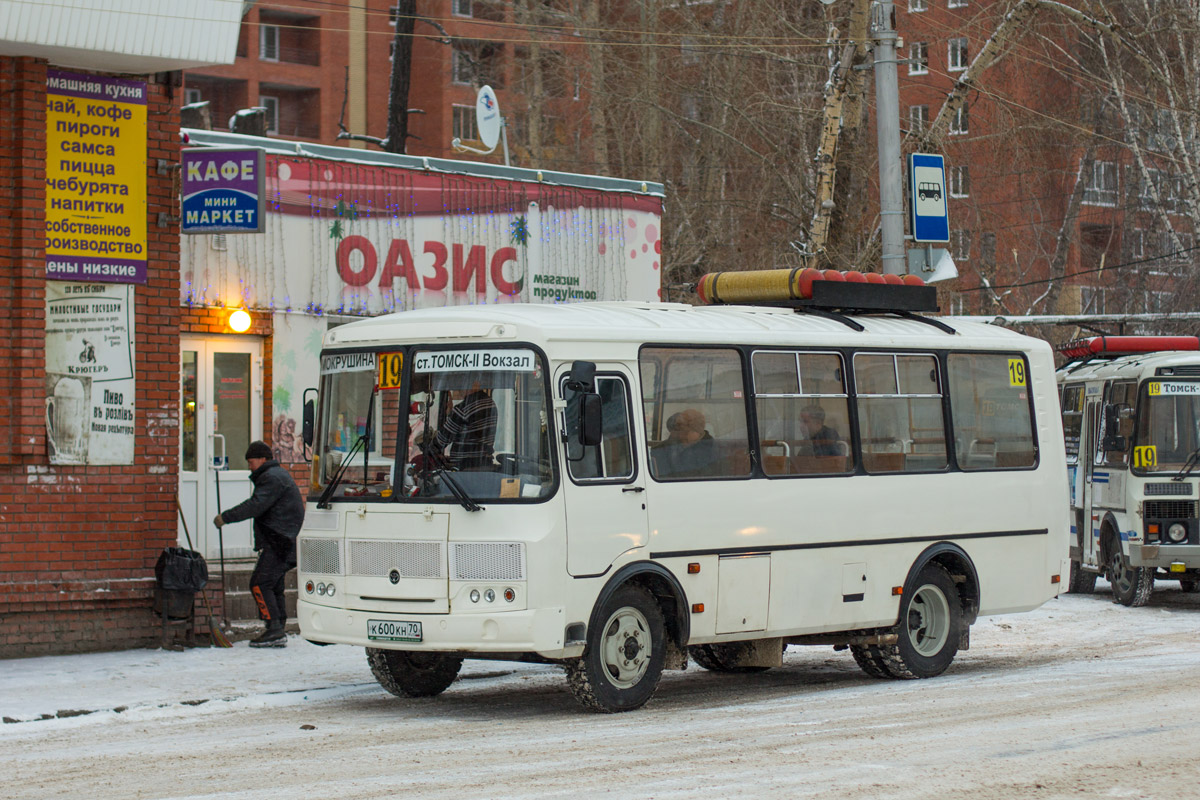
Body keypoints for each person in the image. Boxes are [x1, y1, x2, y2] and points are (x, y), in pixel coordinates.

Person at [214, 441, 305, 647]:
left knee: (259, 583)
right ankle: (277, 627)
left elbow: (255, 506)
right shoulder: (277, 475)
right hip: (286, 540)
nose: (249, 466)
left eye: (251, 462)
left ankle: (274, 629)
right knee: (273, 584)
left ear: (263, 459)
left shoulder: (271, 478)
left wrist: (225, 518)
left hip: (279, 541)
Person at [434, 382, 497, 470]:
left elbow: (441, 440)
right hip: (484, 464)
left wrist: (429, 446)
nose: (459, 390)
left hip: (465, 469)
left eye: (460, 385)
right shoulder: (490, 403)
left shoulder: (463, 409)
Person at [653, 409, 719, 478]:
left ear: (692, 430)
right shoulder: (674, 442)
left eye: (679, 429)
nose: (677, 433)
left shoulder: (708, 448)